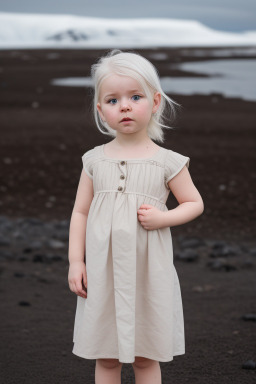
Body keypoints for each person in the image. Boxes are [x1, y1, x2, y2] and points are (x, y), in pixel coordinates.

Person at [68, 49, 204, 384]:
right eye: (112, 100)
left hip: (148, 270)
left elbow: (193, 203)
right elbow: (80, 211)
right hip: (102, 270)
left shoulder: (166, 161)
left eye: (135, 96)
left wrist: (164, 217)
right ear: (100, 110)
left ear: (155, 102)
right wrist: (75, 261)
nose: (124, 106)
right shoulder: (94, 160)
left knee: (146, 355)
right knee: (107, 355)